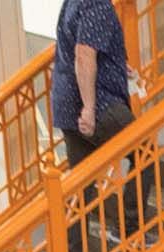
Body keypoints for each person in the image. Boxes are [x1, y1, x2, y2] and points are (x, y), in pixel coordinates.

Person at [51, 0, 132, 157]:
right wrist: (89, 108)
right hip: (100, 103)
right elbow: (84, 55)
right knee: (145, 152)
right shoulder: (97, 3)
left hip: (67, 104)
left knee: (83, 176)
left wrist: (118, 64)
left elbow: (78, 42)